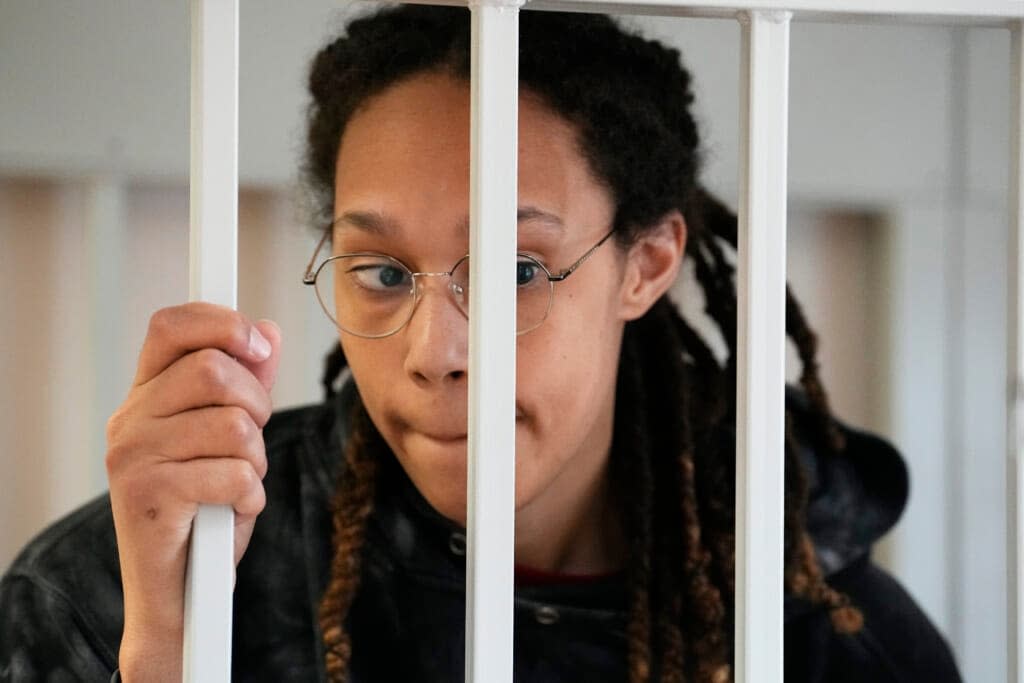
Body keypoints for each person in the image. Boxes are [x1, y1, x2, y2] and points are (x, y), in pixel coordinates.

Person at [0, 6, 962, 682]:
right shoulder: (127, 583)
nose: (433, 352)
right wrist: (167, 655)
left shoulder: (837, 641)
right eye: (378, 270)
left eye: (512, 271)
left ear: (648, 262)